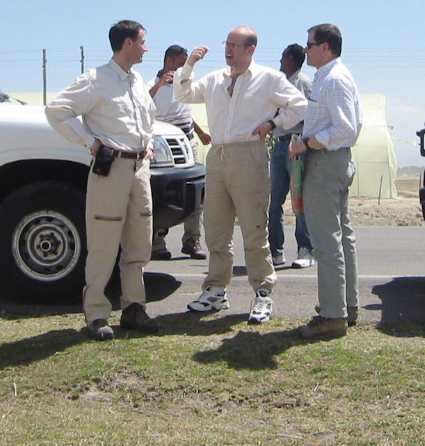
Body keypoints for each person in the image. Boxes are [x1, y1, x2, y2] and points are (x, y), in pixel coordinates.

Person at [174, 27, 308, 323]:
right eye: (227, 44)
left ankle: (263, 293)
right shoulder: (214, 79)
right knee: (216, 229)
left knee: (254, 228)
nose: (229, 49)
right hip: (218, 156)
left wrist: (273, 123)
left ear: (251, 49)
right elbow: (183, 93)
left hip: (250, 154)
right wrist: (190, 64)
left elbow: (300, 106)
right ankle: (215, 290)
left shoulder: (268, 78)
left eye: (235, 45)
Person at [45, 20, 161, 341]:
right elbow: (56, 111)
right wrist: (91, 142)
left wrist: (148, 143)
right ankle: (96, 313)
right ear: (127, 43)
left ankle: (134, 309)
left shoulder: (137, 80)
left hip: (139, 169)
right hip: (111, 169)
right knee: (104, 243)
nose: (146, 48)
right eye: (143, 41)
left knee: (139, 242)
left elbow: (149, 116)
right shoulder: (95, 80)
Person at [289, 24, 363, 340]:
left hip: (325, 162)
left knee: (326, 241)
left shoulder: (334, 79)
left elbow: (346, 129)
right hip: (331, 162)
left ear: (325, 47)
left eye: (310, 44)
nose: (305, 49)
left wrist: (306, 144)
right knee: (341, 237)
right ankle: (346, 307)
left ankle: (333, 316)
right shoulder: (328, 76)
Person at [149, 45, 211, 260]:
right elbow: (142, 104)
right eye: (180, 63)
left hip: (188, 143)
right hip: (163, 147)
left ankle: (192, 240)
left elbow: (184, 112)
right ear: (169, 60)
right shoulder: (152, 84)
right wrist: (159, 85)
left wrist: (200, 132)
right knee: (163, 194)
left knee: (195, 192)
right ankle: (157, 241)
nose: (184, 67)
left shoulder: (184, 84)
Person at [268, 44, 315, 268]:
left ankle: (305, 250)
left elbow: (311, 114)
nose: (280, 62)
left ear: (291, 58)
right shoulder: (280, 84)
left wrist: (303, 142)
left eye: (283, 57)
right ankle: (275, 251)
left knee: (299, 200)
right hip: (279, 144)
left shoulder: (303, 83)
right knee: (274, 202)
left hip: (295, 143)